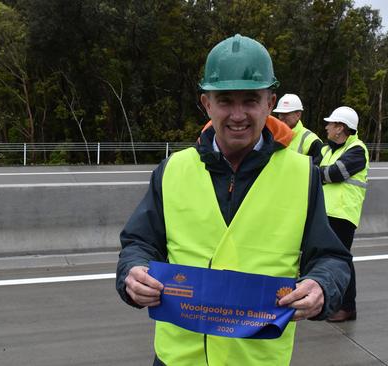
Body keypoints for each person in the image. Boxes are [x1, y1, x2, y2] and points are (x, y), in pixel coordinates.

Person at [116, 34, 352, 366]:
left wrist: (322, 286)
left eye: (250, 100)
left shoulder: (303, 175)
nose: (237, 114)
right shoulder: (172, 171)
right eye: (225, 100)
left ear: (270, 103)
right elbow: (138, 242)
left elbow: (332, 257)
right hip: (177, 360)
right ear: (206, 103)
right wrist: (133, 272)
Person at [319, 106, 370, 323]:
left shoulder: (358, 150)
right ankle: (327, 301)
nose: (327, 127)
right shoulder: (328, 150)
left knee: (342, 261)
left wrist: (314, 174)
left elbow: (334, 174)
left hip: (343, 215)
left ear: (340, 128)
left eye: (331, 124)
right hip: (326, 212)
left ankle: (348, 307)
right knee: (324, 259)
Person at [273, 93, 323, 162]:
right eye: (280, 113)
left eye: (286, 114)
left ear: (298, 115)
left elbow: (316, 171)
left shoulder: (312, 141)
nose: (281, 117)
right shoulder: (271, 136)